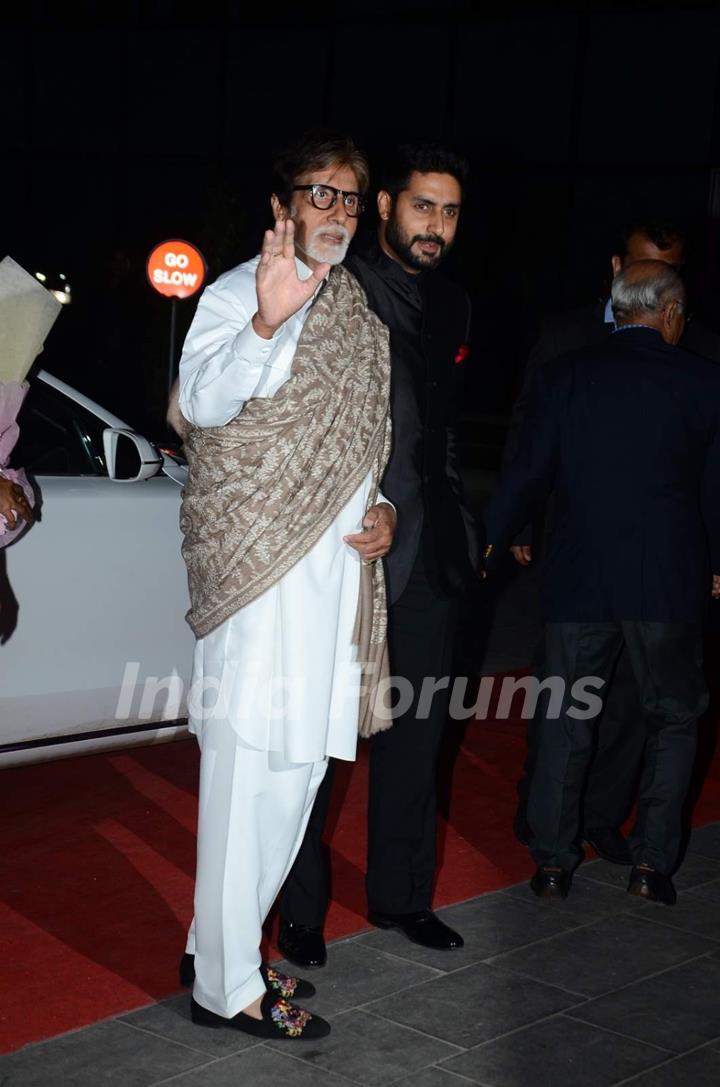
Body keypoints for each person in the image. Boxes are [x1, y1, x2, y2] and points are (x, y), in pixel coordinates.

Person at [175, 132, 395, 1039]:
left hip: (333, 580)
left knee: (297, 776)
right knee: (244, 778)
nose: (337, 212)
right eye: (321, 194)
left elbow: (362, 449)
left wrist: (383, 508)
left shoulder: (359, 316)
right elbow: (201, 407)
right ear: (284, 207)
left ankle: (215, 947)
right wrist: (266, 321)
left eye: (350, 198)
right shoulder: (236, 290)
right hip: (259, 580)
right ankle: (223, 989)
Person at [279, 143, 481, 968]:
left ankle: (403, 897)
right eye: (423, 207)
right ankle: (298, 911)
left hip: (432, 553)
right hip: (351, 548)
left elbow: (447, 423)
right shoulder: (338, 285)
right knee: (323, 742)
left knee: (419, 737)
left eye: (451, 211)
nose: (437, 225)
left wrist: (467, 524)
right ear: (389, 206)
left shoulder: (458, 303)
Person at [483, 260, 720, 905]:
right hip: (667, 583)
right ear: (670, 313)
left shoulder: (566, 377)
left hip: (578, 577)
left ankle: (553, 864)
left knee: (564, 719)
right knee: (673, 720)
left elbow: (527, 473)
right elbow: (715, 491)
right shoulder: (705, 382)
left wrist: (489, 540)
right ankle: (650, 867)